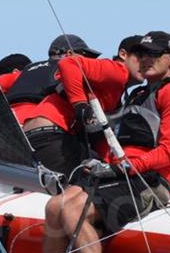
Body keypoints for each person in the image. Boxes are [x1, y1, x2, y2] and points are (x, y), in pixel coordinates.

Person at [0, 31, 170, 253]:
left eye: (154, 55)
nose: (146, 60)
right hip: (123, 173)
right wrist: (107, 165)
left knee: (71, 210)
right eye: (142, 54)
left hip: (150, 182)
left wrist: (122, 168)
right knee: (55, 206)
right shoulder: (138, 94)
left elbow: (168, 154)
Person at [7, 34, 101, 178]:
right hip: (43, 125)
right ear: (67, 54)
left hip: (9, 125)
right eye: (83, 55)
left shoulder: (26, 71)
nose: (87, 61)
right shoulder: (66, 69)